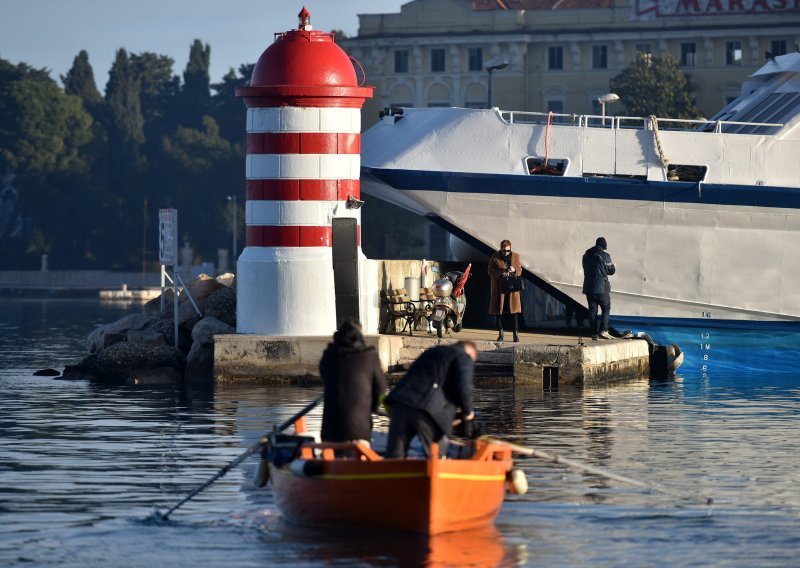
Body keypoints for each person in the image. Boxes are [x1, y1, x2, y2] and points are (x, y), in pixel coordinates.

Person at [384, 341, 479, 458]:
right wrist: (469, 412)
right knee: (437, 456)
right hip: (426, 411)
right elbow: (464, 386)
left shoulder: (433, 351)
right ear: (471, 353)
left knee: (394, 457)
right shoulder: (463, 356)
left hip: (400, 403)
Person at [320, 318, 388, 444]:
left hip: (329, 433)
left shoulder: (328, 356)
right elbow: (382, 390)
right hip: (359, 432)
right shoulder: (370, 356)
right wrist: (374, 407)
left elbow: (325, 376)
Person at [582, 237, 616, 340]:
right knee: (606, 307)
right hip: (601, 287)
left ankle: (593, 334)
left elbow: (585, 268)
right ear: (604, 246)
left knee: (592, 310)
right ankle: (603, 330)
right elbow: (611, 271)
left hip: (588, 286)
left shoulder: (585, 256)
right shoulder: (605, 255)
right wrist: (613, 267)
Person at [488, 239, 522, 342]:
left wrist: (514, 270)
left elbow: (520, 269)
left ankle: (515, 335)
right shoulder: (495, 256)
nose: (506, 253)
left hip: (512, 287)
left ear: (510, 248)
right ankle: (501, 333)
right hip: (499, 287)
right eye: (504, 250)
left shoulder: (516, 256)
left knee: (514, 312)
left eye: (508, 250)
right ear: (501, 249)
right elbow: (490, 270)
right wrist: (501, 273)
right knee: (499, 311)